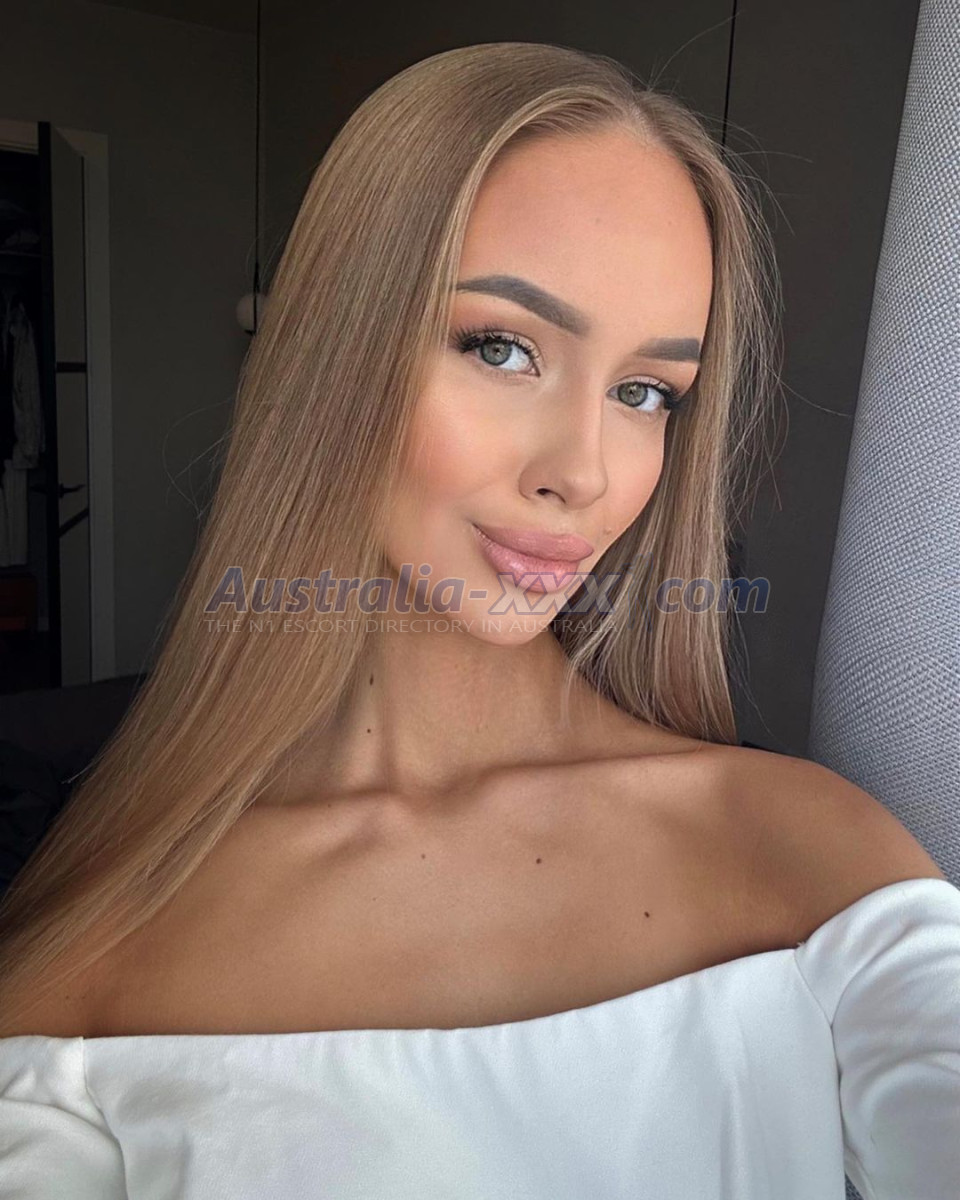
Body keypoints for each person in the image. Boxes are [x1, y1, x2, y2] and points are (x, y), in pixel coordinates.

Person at [0, 40, 956, 1200]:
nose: (584, 472)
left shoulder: (817, 859)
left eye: (645, 391)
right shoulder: (96, 966)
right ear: (330, 353)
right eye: (502, 348)